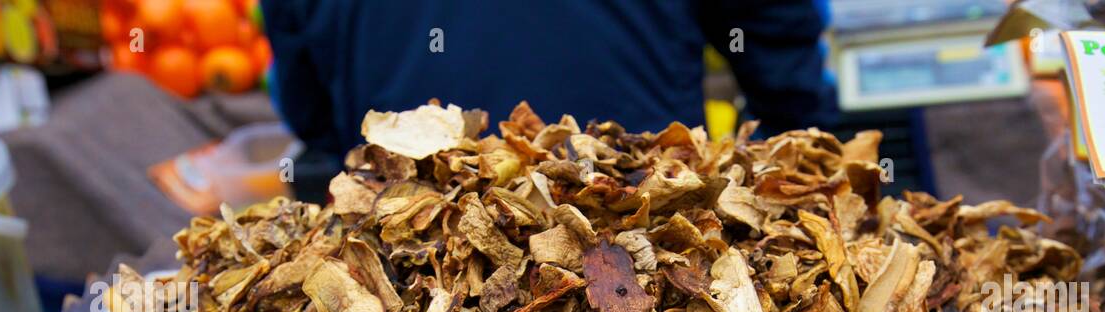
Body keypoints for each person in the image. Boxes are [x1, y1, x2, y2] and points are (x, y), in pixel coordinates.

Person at [261, 0, 834, 187]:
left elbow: (308, 101)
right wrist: (813, 143)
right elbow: (773, 26)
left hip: (407, 210)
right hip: (634, 204)